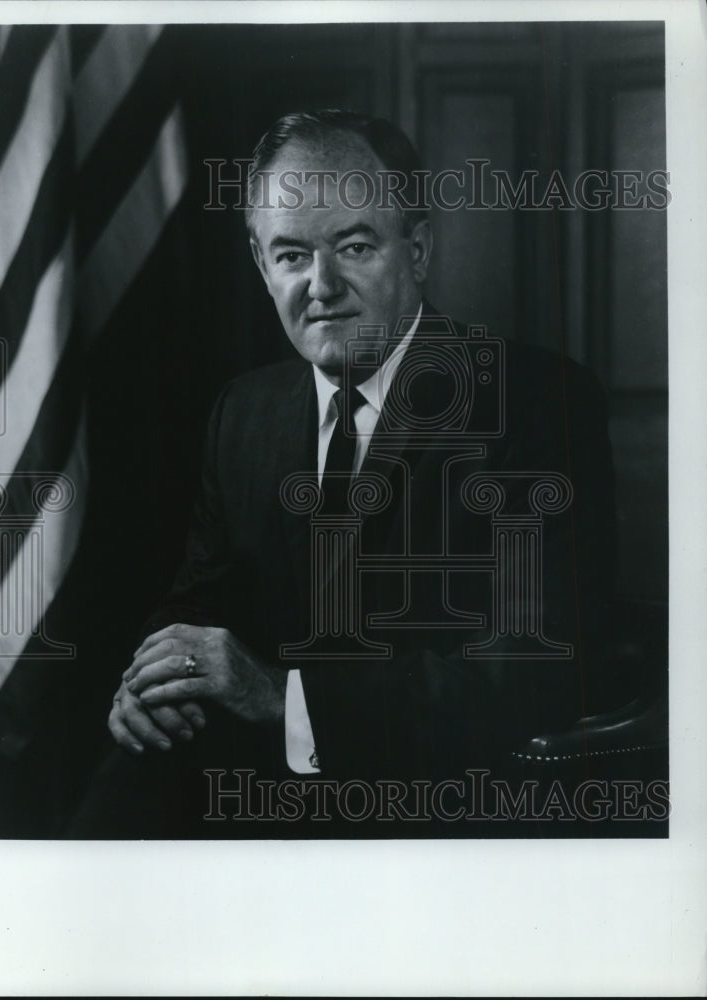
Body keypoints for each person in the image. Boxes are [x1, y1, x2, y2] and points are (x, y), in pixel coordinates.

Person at [69, 110, 615, 837]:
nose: (321, 286)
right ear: (262, 267)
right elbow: (199, 600)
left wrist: (278, 697)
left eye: (353, 246)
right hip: (251, 799)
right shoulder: (245, 412)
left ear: (416, 249)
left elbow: (531, 671)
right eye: (291, 256)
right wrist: (155, 679)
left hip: (443, 812)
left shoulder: (535, 403)